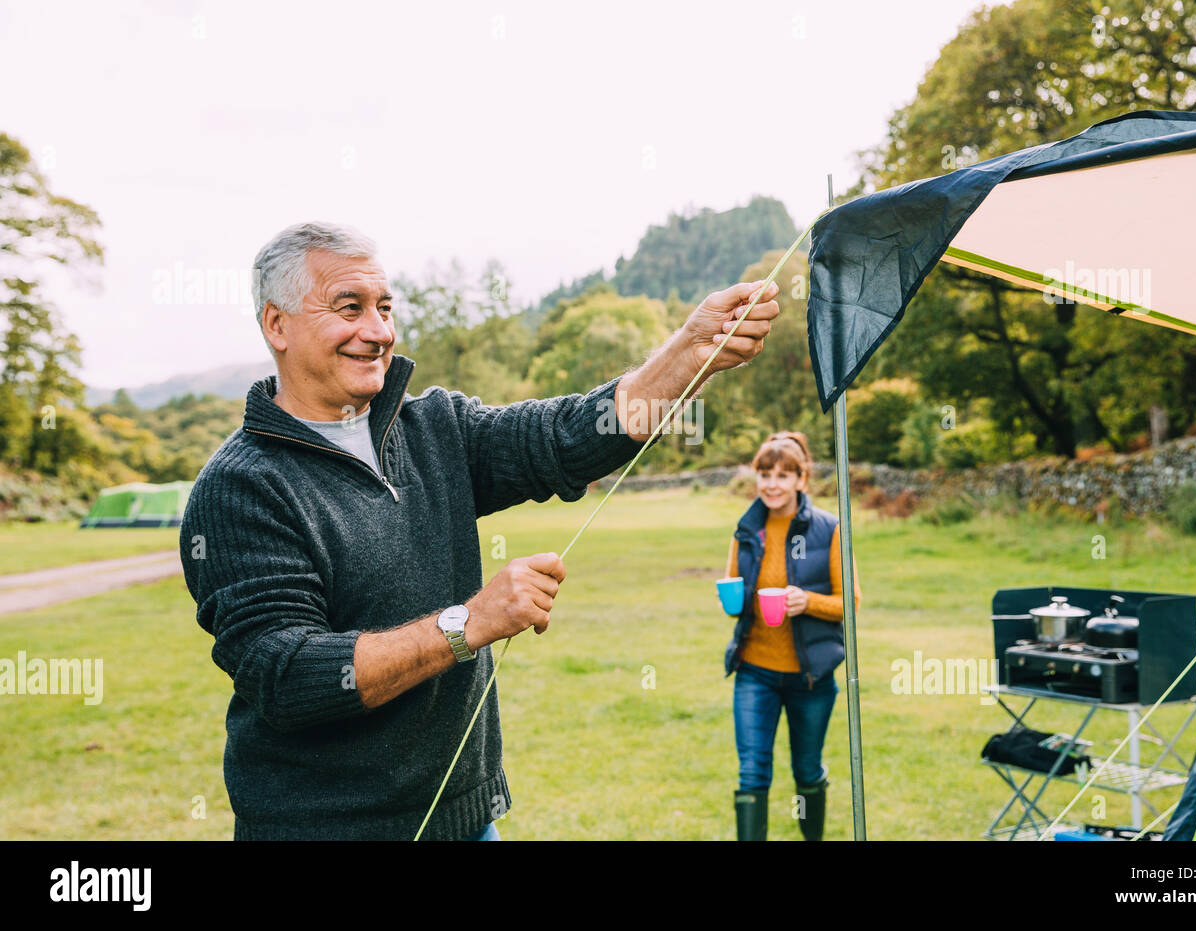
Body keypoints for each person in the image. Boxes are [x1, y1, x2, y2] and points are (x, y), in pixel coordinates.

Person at [179, 221, 779, 840]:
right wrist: (468, 624)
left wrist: (688, 351)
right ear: (277, 325)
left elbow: (566, 436)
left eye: (384, 308)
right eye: (349, 308)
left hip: (465, 821)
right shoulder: (242, 487)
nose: (379, 331)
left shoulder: (433, 428)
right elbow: (288, 676)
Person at [722, 431, 860, 841]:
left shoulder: (830, 529)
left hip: (811, 677)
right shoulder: (746, 529)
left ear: (802, 479)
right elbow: (732, 589)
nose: (772, 484)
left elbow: (849, 603)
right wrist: (732, 600)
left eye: (783, 475)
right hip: (755, 673)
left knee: (807, 769)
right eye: (765, 474)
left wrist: (807, 602)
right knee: (752, 772)